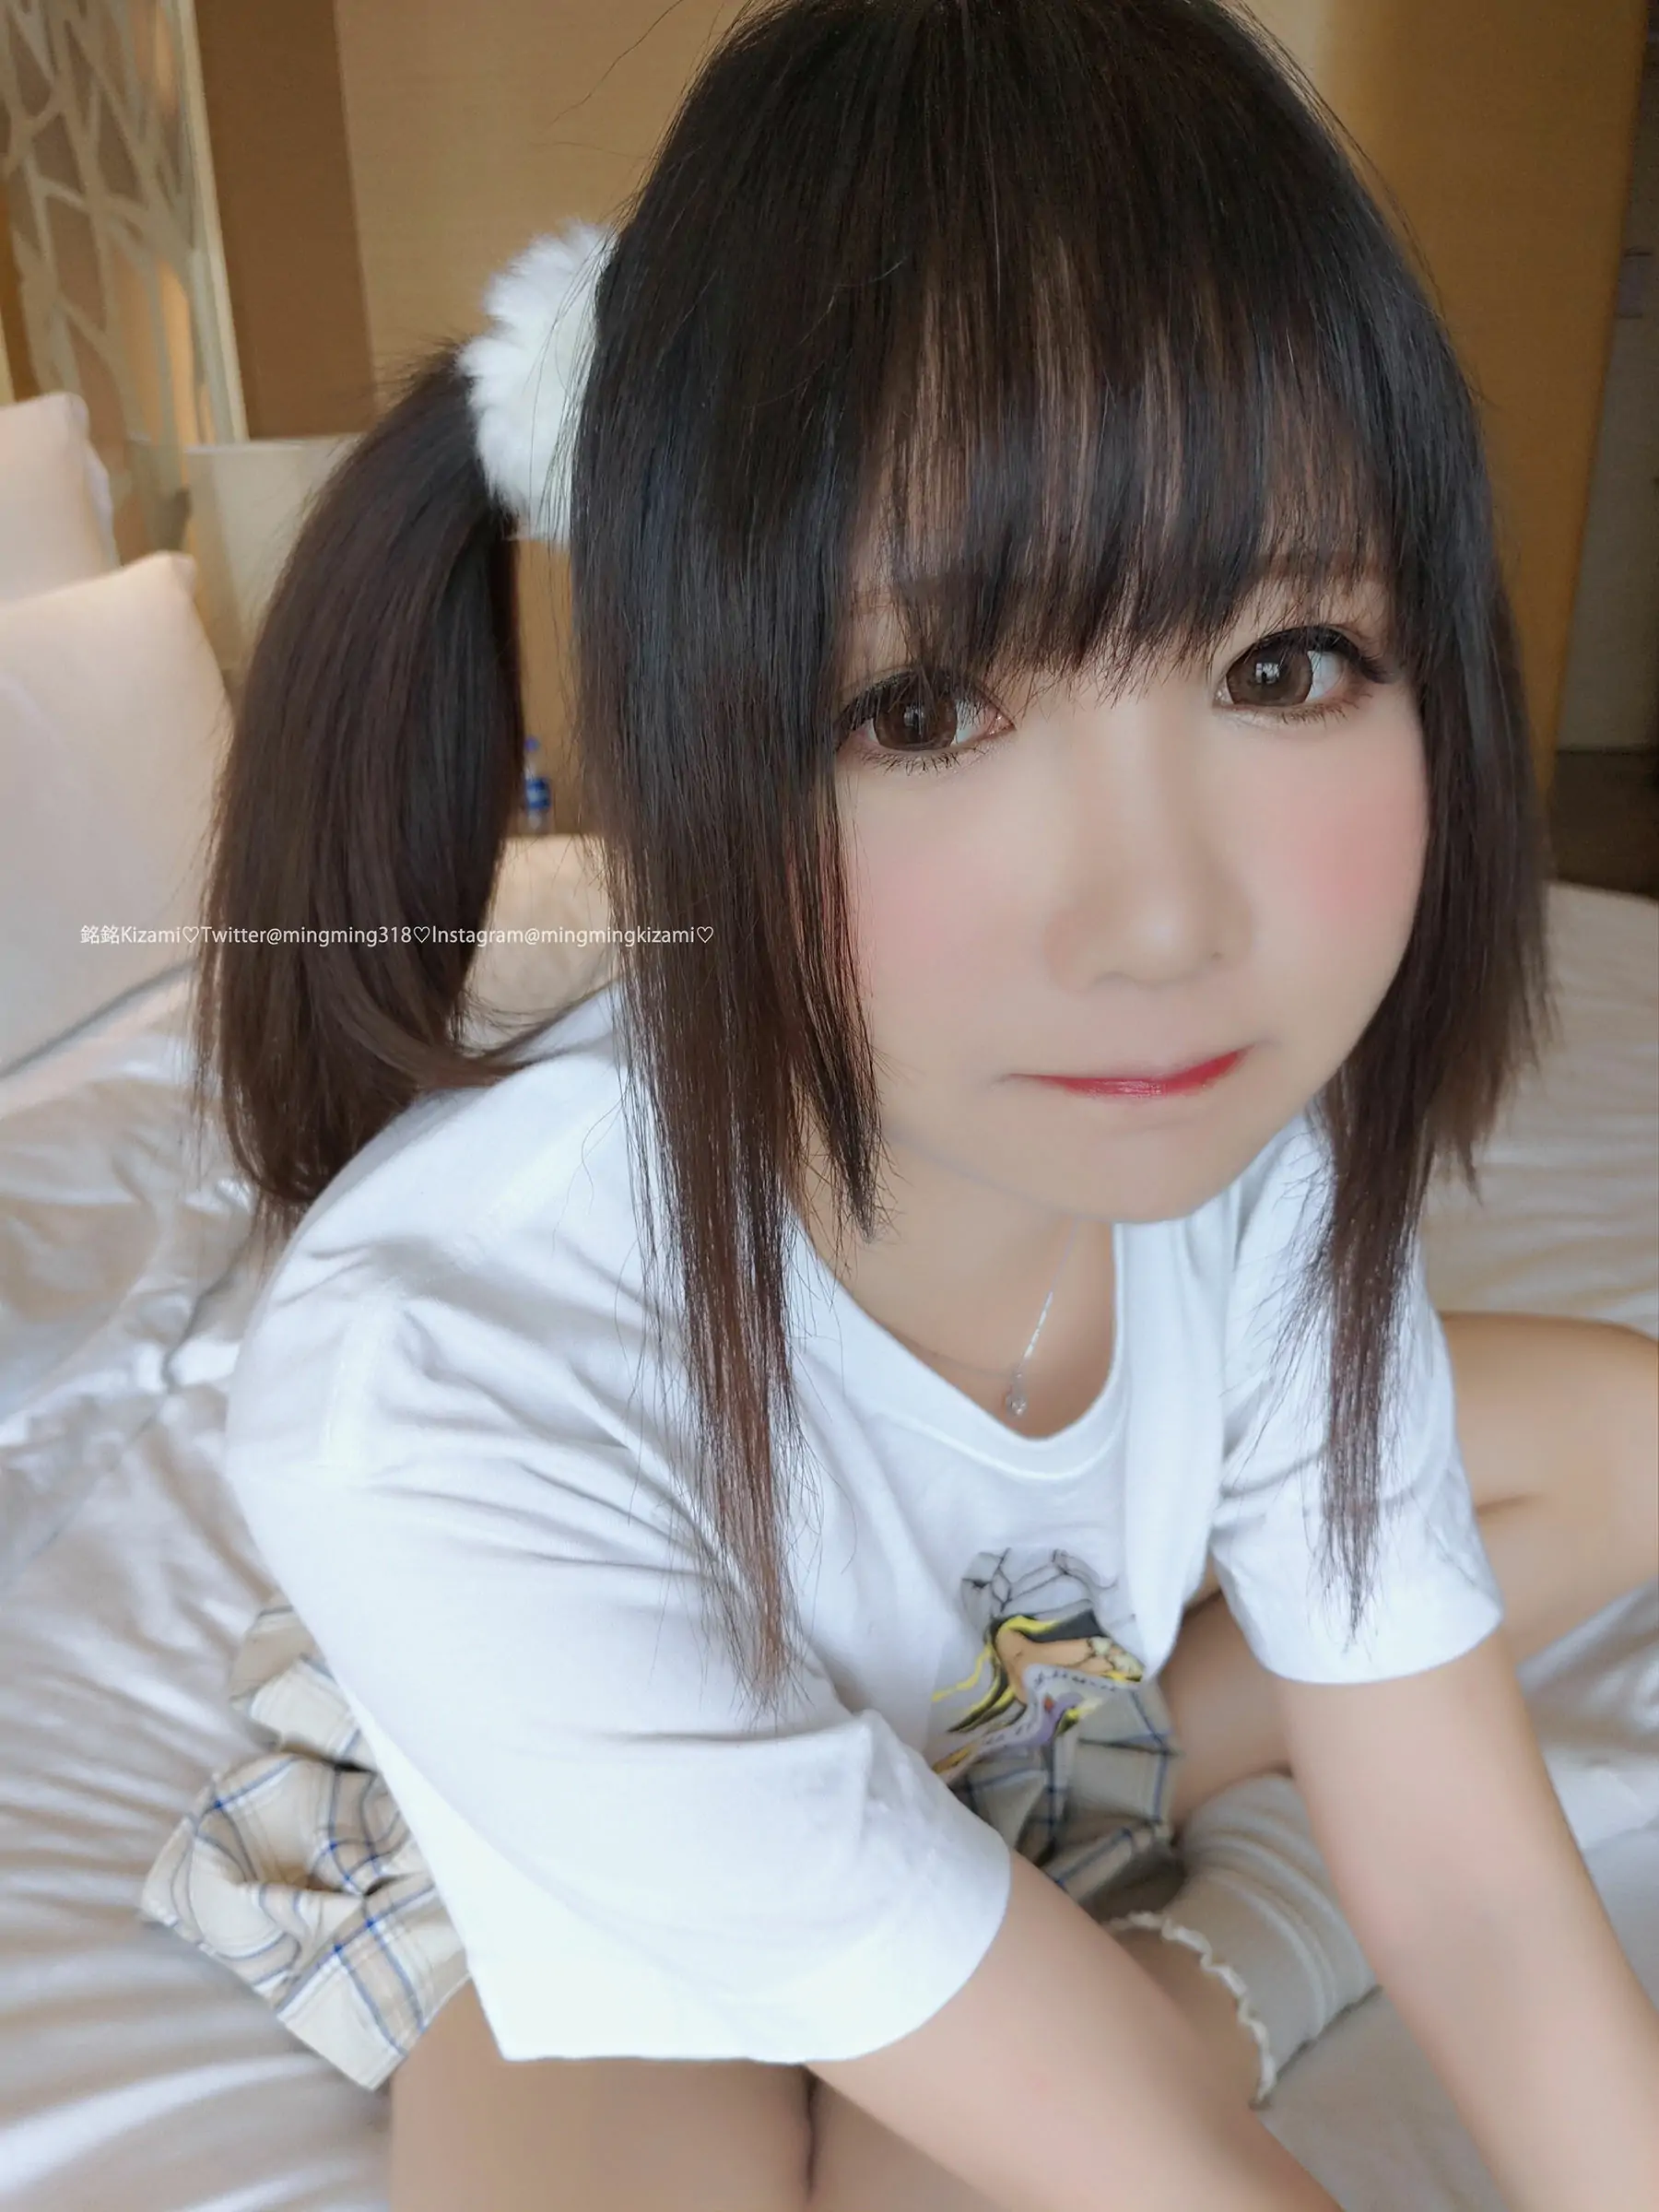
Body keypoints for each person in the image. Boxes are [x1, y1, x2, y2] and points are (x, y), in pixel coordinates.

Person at [142, 2, 1659, 2206]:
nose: (1163, 923)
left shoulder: (1265, 1173)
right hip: (561, 1756)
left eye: (1284, 665)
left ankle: (1064, 1855)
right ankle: (1147, 1909)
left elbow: (1488, 1900)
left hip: (1009, 1685)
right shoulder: (441, 1368)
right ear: (680, 743)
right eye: (923, 708)